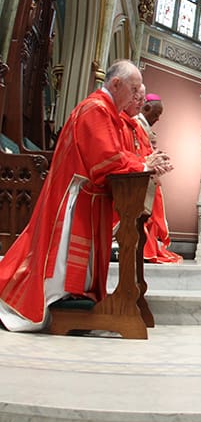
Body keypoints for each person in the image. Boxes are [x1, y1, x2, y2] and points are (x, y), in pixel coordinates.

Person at [0, 60, 172, 332]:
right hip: (76, 197)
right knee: (59, 260)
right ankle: (52, 301)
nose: (135, 95)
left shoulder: (107, 111)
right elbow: (105, 158)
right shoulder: (96, 109)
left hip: (90, 196)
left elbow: (118, 153)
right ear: (116, 84)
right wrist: (143, 165)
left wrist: (143, 162)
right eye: (133, 88)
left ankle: (72, 299)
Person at [126, 92, 182, 264]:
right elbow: (133, 153)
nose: (157, 119)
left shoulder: (142, 127)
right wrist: (149, 164)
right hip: (135, 179)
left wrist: (158, 162)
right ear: (147, 107)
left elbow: (145, 153)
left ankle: (147, 248)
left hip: (145, 177)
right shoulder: (135, 124)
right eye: (156, 115)